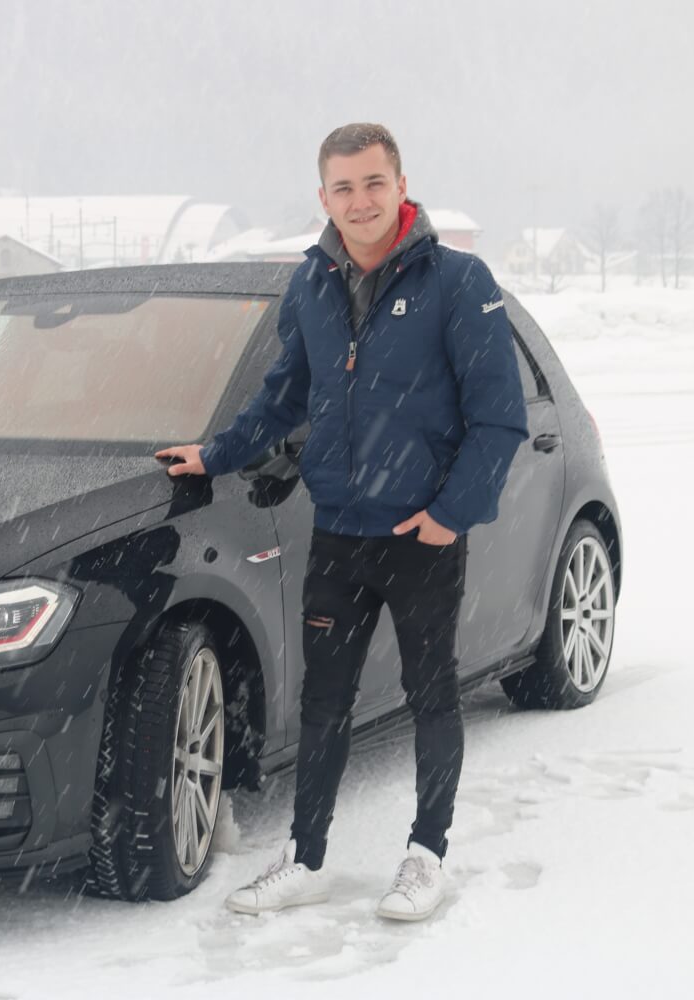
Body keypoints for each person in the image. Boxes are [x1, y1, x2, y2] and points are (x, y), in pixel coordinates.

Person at [154, 123, 528, 921]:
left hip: (419, 535)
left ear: (401, 186)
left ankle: (426, 855)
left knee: (433, 696)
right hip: (339, 531)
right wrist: (216, 454)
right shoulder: (313, 284)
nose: (360, 202)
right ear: (323, 196)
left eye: (373, 184)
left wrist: (450, 514)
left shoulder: (457, 280)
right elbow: (286, 392)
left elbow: (499, 418)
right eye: (343, 188)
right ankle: (309, 857)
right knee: (324, 703)